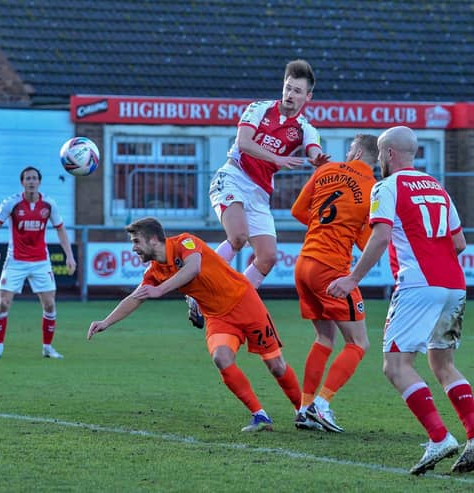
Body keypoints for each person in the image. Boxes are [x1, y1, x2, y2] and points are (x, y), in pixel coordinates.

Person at [327, 126, 474, 475]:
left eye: (379, 154)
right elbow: (459, 244)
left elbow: (379, 238)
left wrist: (352, 279)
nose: (379, 160)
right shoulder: (439, 188)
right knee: (443, 364)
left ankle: (439, 437)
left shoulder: (387, 187)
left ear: (389, 154)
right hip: (454, 284)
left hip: (418, 285)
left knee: (396, 365)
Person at [87, 217, 302, 432]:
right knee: (221, 358)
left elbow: (193, 268)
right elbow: (135, 298)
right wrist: (106, 322)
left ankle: (303, 410)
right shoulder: (154, 272)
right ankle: (260, 415)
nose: (134, 248)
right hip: (218, 317)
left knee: (276, 366)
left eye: (136, 241)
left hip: (245, 303)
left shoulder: (184, 242)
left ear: (153, 240)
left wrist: (160, 290)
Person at [187, 59, 330, 329]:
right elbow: (244, 143)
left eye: (298, 91)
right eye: (288, 88)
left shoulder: (306, 128)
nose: (290, 95)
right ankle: (199, 289)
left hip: (259, 193)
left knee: (268, 257)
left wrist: (316, 159)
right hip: (233, 177)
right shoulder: (259, 108)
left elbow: (313, 149)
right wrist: (279, 157)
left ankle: (232, 304)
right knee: (238, 236)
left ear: (308, 96)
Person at [290, 134, 378, 432]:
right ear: (376, 157)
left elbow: (299, 212)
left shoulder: (326, 170)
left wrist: (326, 225)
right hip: (332, 269)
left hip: (303, 264)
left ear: (356, 150)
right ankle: (322, 405)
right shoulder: (373, 189)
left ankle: (304, 408)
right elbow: (369, 240)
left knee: (324, 339)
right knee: (359, 342)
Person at [0, 166, 77, 360]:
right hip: (15, 260)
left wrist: (69, 255)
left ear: (39, 182)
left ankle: (47, 347)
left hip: (40, 261)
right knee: (4, 303)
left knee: (50, 305)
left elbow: (60, 229)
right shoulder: (11, 203)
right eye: (28, 178)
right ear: (22, 182)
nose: (31, 181)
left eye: (34, 178)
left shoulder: (49, 204)